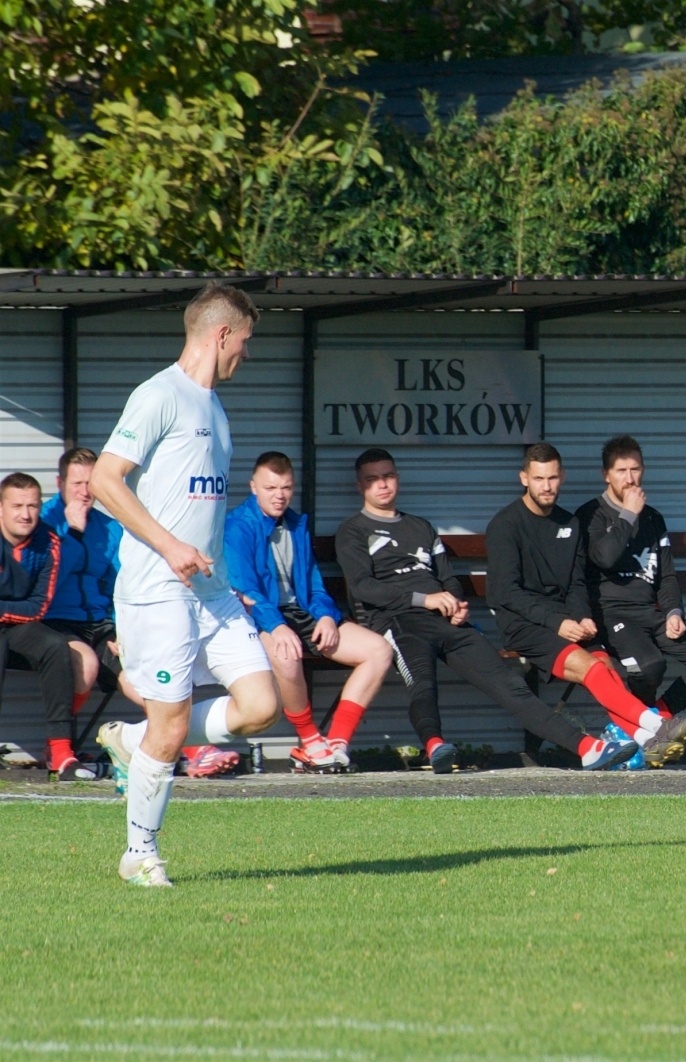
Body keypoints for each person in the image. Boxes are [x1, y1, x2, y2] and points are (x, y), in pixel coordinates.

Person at [91, 282, 284, 887]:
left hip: (210, 592)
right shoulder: (159, 396)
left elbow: (201, 509)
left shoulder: (216, 410)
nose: (245, 356)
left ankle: (137, 736)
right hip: (157, 588)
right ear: (221, 334)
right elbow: (104, 480)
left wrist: (224, 576)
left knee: (261, 705)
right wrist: (170, 545)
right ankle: (138, 853)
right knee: (174, 726)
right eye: (244, 343)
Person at [336, 447, 637, 774]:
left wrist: (455, 603)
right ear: (359, 487)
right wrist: (426, 600)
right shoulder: (353, 530)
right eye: (372, 479)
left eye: (388, 476)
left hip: (446, 623)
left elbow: (448, 578)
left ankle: (587, 748)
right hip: (398, 622)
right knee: (422, 681)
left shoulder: (420, 527)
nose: (382, 485)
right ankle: (436, 746)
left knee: (511, 686)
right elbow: (364, 587)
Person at [487, 443, 686, 768]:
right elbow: (505, 594)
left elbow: (575, 584)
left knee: (608, 667)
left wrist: (583, 616)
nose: (547, 486)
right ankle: (657, 726)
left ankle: (642, 739)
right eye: (539, 478)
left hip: (565, 622)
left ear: (563, 477)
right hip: (524, 625)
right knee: (594, 668)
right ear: (524, 479)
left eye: (553, 478)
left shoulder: (569, 524)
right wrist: (557, 623)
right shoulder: (505, 524)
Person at [225, 451, 393, 773]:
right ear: (253, 487)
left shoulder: (296, 524)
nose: (280, 496)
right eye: (271, 488)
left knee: (379, 651)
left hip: (303, 613)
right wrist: (276, 627)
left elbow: (314, 583)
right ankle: (311, 743)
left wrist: (327, 615)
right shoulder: (236, 527)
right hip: (259, 616)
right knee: (287, 657)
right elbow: (248, 590)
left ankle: (338, 743)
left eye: (286, 487)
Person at [576, 435, 686, 751]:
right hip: (612, 616)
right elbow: (603, 557)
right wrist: (628, 515)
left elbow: (667, 576)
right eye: (621, 471)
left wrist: (674, 612)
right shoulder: (591, 515)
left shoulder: (654, 518)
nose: (630, 478)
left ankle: (656, 718)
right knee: (650, 666)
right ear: (606, 475)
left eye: (635, 469)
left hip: (651, 614)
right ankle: (647, 733)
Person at [0, 471, 88, 780]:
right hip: (9, 622)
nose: (25, 514)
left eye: (33, 506)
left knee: (56, 647)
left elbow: (38, 606)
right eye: (17, 506)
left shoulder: (47, 540)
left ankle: (61, 750)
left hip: (20, 623)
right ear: (1, 508)